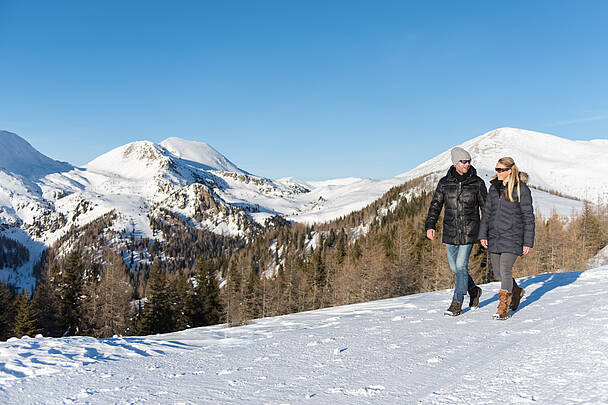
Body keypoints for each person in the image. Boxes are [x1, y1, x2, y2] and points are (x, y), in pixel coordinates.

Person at [425, 147, 487, 316]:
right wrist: (430, 225)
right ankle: (474, 290)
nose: (467, 164)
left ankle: (457, 302)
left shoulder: (477, 183)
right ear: (455, 162)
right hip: (450, 230)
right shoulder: (445, 183)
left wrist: (485, 232)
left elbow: (486, 208)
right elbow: (436, 205)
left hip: (470, 230)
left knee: (461, 265)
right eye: (463, 161)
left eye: (469, 161)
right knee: (455, 268)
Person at [479, 157, 535, 320]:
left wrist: (527, 241)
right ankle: (516, 291)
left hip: (513, 236)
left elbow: (528, 217)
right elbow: (487, 213)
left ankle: (503, 308)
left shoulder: (521, 189)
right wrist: (483, 234)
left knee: (505, 269)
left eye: (501, 170)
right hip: (494, 236)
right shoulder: (493, 188)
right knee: (498, 272)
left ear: (510, 170)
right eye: (496, 169)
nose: (497, 173)